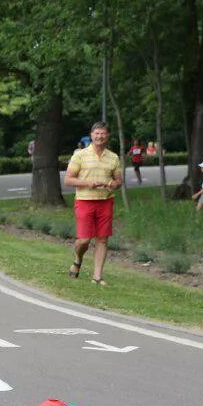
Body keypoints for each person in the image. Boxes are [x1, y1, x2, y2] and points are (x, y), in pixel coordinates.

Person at [64, 121, 122, 286]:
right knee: (84, 240)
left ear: (108, 136)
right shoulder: (80, 155)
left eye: (103, 133)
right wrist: (88, 183)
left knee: (102, 239)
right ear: (91, 135)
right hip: (84, 201)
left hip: (105, 201)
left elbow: (119, 181)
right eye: (97, 133)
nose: (100, 136)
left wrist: (114, 184)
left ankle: (97, 277)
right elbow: (68, 180)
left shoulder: (113, 157)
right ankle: (77, 259)